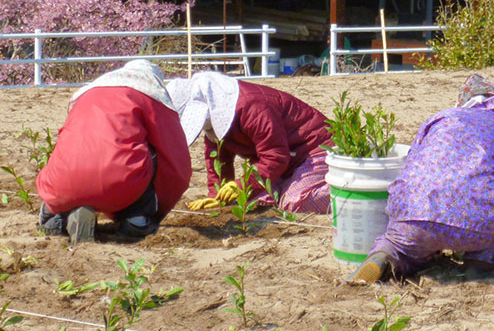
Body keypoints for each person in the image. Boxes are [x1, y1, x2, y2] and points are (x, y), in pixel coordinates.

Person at [346, 75, 494, 284]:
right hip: (479, 225)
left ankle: (385, 254)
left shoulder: (442, 118)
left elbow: (413, 168)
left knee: (401, 243)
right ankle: (479, 264)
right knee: (492, 203)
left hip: (415, 213)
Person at [36, 60, 192, 246]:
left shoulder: (87, 93)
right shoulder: (151, 96)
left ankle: (56, 216)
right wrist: (159, 208)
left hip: (61, 183)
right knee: (151, 152)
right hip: (120, 182)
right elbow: (176, 158)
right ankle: (137, 218)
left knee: (74, 150)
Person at [167, 71, 332, 214]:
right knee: (254, 201)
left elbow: (275, 156)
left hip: (316, 149)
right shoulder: (214, 122)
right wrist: (217, 196)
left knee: (294, 202)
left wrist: (242, 184)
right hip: (287, 160)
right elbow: (218, 160)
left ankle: (348, 196)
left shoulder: (252, 107)